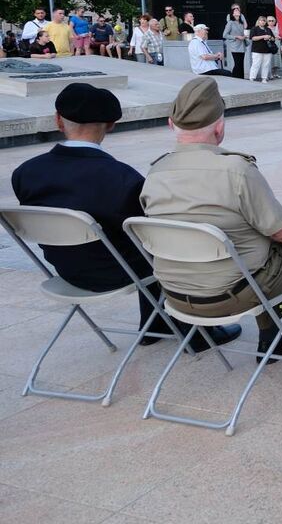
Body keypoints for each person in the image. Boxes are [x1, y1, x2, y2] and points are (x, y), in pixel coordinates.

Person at [12, 83, 239, 349]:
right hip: (119, 272)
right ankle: (197, 335)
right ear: (111, 125)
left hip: (65, 270)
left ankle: (156, 325)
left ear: (58, 120)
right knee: (173, 244)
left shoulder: (25, 172)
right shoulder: (121, 178)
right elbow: (153, 232)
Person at [140, 77, 282, 372]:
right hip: (230, 294)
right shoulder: (236, 170)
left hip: (175, 296)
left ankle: (271, 340)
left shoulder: (154, 173)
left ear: (171, 125)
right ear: (219, 129)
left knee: (259, 250)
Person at [222, 6, 248, 79]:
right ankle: (234, 78)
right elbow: (224, 35)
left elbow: (246, 27)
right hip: (235, 45)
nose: (237, 11)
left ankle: (241, 79)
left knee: (241, 63)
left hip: (242, 45)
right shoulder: (230, 23)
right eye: (235, 10)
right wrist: (236, 37)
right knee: (237, 63)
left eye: (238, 10)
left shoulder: (241, 23)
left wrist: (244, 36)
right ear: (232, 14)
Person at [247, 15, 274, 81]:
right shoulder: (254, 29)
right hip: (257, 50)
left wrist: (269, 37)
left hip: (267, 50)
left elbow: (273, 38)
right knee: (256, 64)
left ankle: (264, 78)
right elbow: (253, 38)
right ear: (258, 21)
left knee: (266, 65)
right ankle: (252, 78)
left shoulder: (268, 29)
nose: (262, 22)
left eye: (264, 21)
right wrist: (263, 36)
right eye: (261, 20)